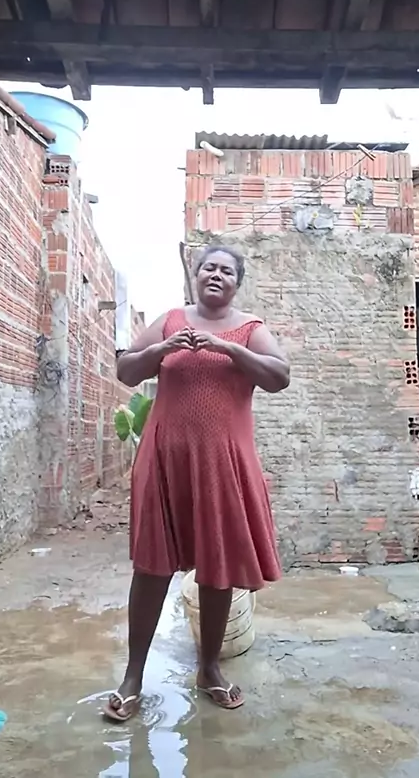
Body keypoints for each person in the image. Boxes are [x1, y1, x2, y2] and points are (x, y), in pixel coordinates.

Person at [104, 245, 290, 720]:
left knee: (217, 563)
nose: (216, 274)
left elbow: (279, 376)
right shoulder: (170, 321)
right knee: (151, 566)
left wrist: (230, 349)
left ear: (236, 282)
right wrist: (161, 350)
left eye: (227, 270)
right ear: (196, 274)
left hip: (222, 464)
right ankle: (133, 677)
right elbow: (126, 370)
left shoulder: (250, 328)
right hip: (166, 459)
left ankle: (209, 669)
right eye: (209, 267)